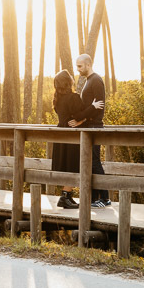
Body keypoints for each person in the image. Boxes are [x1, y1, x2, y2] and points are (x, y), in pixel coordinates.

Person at [74, 53, 111, 208]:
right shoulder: (88, 81)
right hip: (88, 126)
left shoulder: (96, 81)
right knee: (89, 162)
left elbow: (99, 106)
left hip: (95, 126)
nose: (78, 69)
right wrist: (82, 119)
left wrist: (83, 118)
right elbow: (91, 106)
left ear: (88, 65)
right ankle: (94, 198)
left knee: (94, 161)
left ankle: (104, 198)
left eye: (80, 66)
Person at [50, 70, 83, 209]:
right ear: (68, 82)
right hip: (71, 134)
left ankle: (68, 196)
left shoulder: (57, 99)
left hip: (61, 133)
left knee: (67, 164)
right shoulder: (73, 98)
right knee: (72, 164)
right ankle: (64, 197)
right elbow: (80, 115)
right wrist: (83, 120)